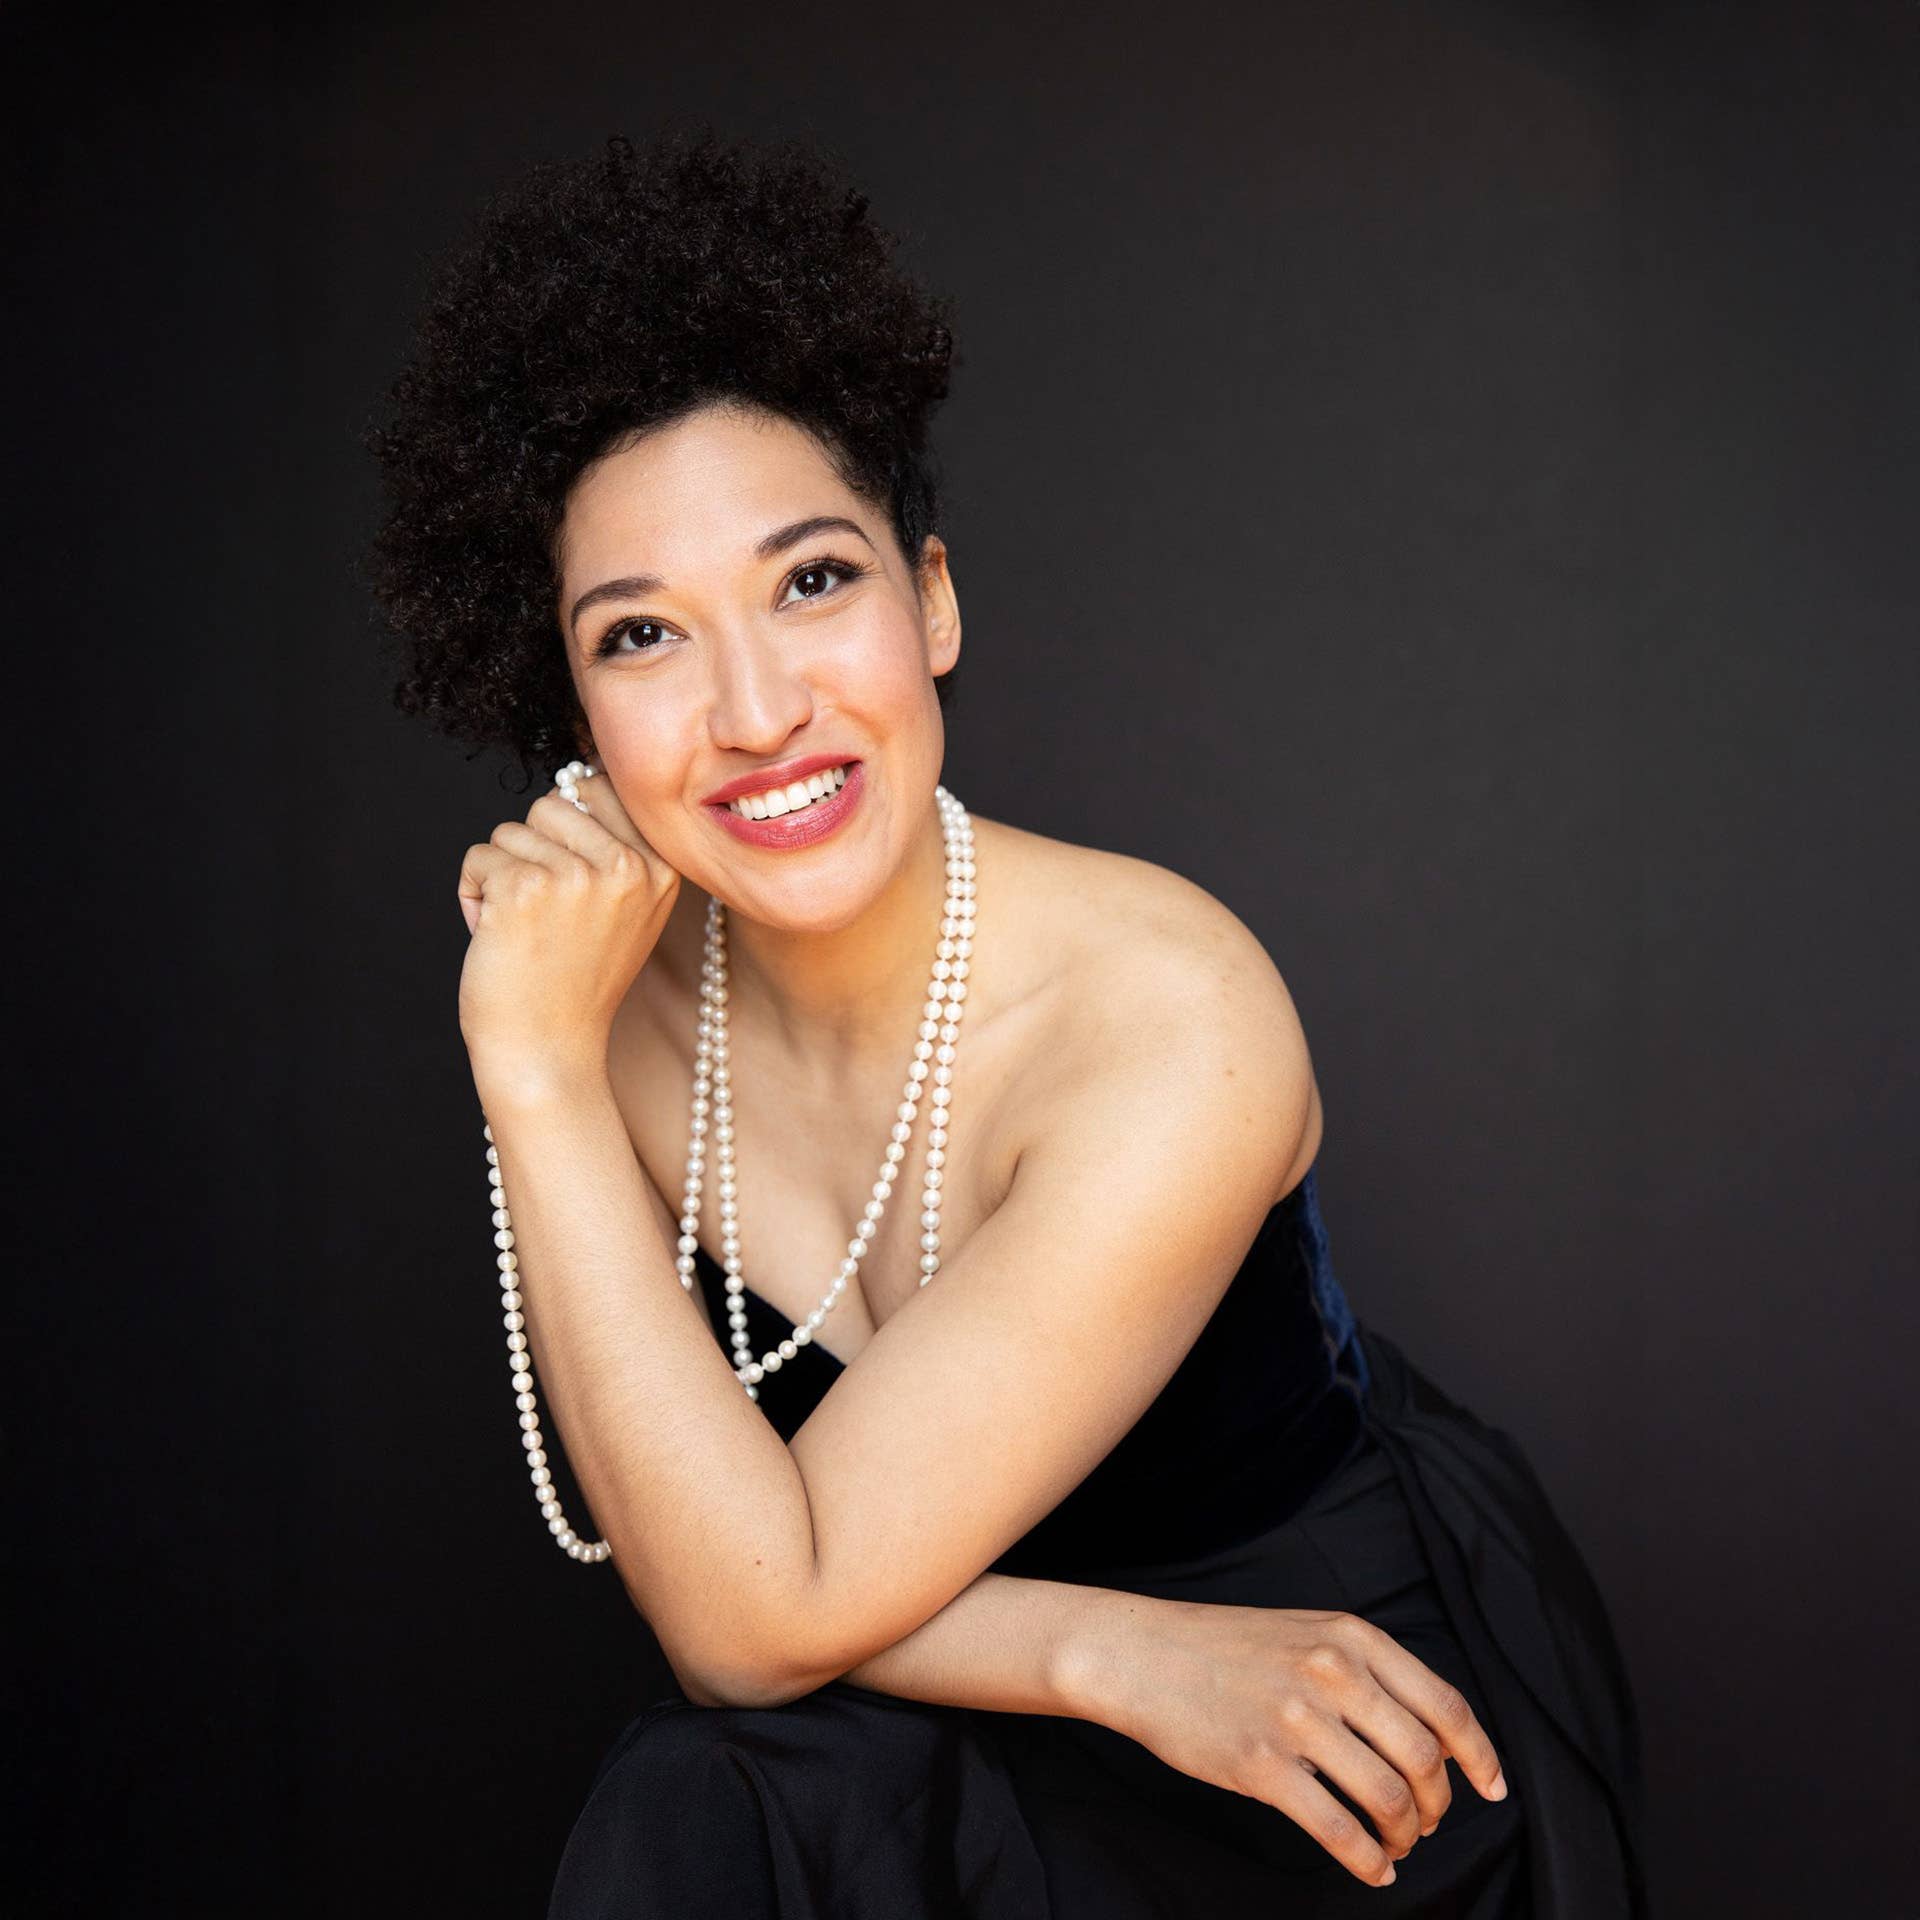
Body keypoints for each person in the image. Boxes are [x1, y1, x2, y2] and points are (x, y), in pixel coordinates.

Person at [366, 124, 1649, 1918]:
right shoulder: (602, 1011)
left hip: (1305, 1720)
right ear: (568, 701)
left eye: (814, 582)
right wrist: (538, 1067)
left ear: (934, 601)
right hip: (977, 1707)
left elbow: (751, 1608)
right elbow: (731, 1605)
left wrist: (1155, 1655)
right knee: (695, 1813)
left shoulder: (1168, 1014)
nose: (753, 711)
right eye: (641, 637)